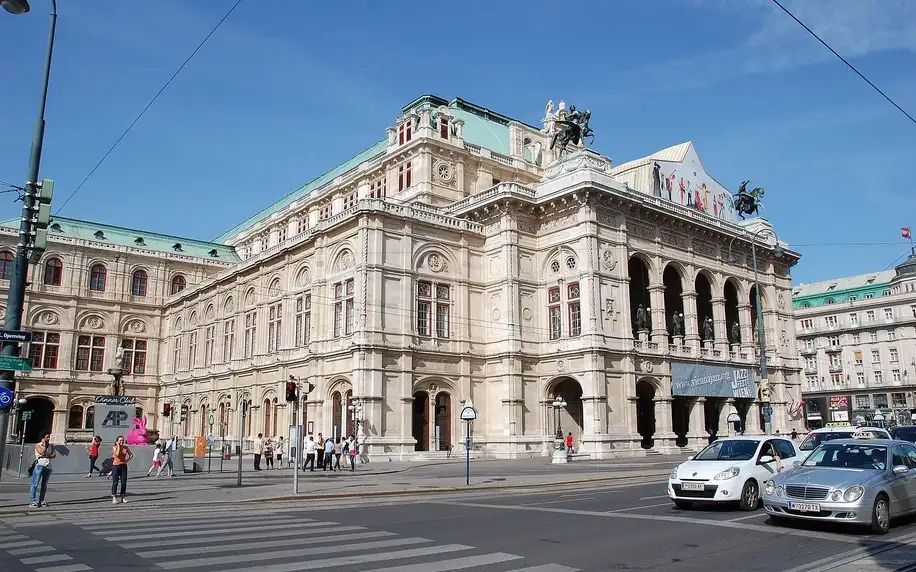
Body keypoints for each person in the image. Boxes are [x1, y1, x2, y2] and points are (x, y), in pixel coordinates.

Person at [29, 432, 56, 508]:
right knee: (35, 484)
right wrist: (44, 445)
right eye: (46, 437)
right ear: (42, 438)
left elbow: (54, 455)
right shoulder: (38, 445)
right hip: (39, 465)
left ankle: (41, 500)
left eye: (49, 437)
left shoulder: (51, 446)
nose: (48, 438)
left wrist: (46, 455)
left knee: (44, 485)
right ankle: (32, 501)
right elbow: (41, 452)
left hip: (48, 466)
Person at [111, 435, 133, 504]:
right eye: (120, 440)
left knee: (123, 482)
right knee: (115, 482)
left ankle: (123, 497)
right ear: (117, 441)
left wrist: (126, 461)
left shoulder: (125, 447)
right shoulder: (114, 447)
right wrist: (118, 446)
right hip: (116, 466)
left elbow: (131, 455)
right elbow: (117, 454)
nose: (121, 441)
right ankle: (114, 497)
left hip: (123, 466)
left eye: (122, 440)